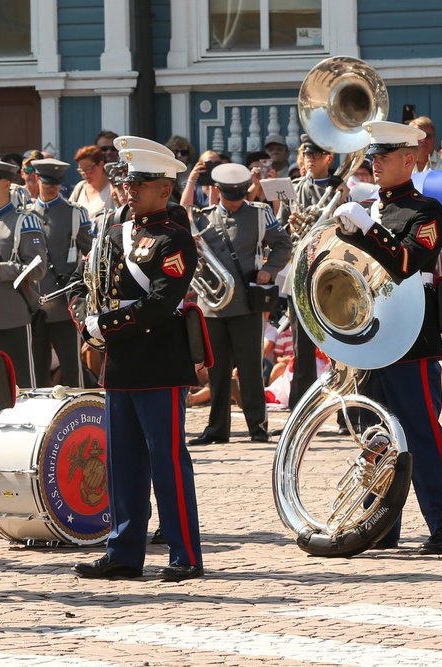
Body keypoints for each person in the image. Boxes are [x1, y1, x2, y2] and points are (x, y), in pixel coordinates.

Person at [332, 120, 442, 554]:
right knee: (376, 435)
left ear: (409, 160)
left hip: (410, 334)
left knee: (420, 430)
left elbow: (408, 260)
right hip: (369, 333)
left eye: (384, 156)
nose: (374, 163)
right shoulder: (369, 207)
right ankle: (380, 522)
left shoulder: (425, 210)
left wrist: (367, 229)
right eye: (372, 156)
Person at [71, 147, 204, 582]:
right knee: (122, 462)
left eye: (139, 184)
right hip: (120, 363)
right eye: (127, 182)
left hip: (159, 361)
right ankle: (124, 552)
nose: (128, 190)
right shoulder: (113, 232)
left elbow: (162, 301)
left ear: (165, 189)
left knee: (166, 461)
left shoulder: (174, 237)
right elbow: (86, 281)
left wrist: (105, 324)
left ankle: (185, 554)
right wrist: (82, 314)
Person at [190, 163, 291, 445]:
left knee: (249, 368)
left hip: (247, 303)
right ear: (218, 192)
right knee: (217, 370)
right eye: (228, 196)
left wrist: (270, 268)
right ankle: (216, 429)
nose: (234, 202)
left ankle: (258, 427)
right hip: (212, 305)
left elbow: (283, 243)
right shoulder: (204, 218)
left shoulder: (261, 214)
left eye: (239, 195)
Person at [0, 160, 50, 388]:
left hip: (14, 315)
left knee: (22, 383)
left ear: (7, 184)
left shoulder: (25, 220)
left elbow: (38, 268)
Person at [277, 134, 342, 410]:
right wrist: (291, 225)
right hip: (301, 270)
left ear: (329, 158)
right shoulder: (293, 188)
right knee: (301, 345)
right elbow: (280, 232)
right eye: (306, 155)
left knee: (340, 343)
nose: (309, 161)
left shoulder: (341, 189)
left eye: (315, 156)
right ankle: (300, 406)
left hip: (330, 269)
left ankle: (342, 407)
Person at [32, 158, 92, 387]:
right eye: (47, 182)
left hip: (65, 304)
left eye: (57, 183)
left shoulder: (74, 214)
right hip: (34, 305)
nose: (52, 187)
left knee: (71, 366)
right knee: (37, 369)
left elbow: (90, 255)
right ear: (37, 179)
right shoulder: (26, 216)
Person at [69, 146, 112, 219]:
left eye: (88, 169)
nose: (85, 174)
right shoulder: (80, 187)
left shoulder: (112, 188)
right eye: (81, 170)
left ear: (101, 164)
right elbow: (68, 213)